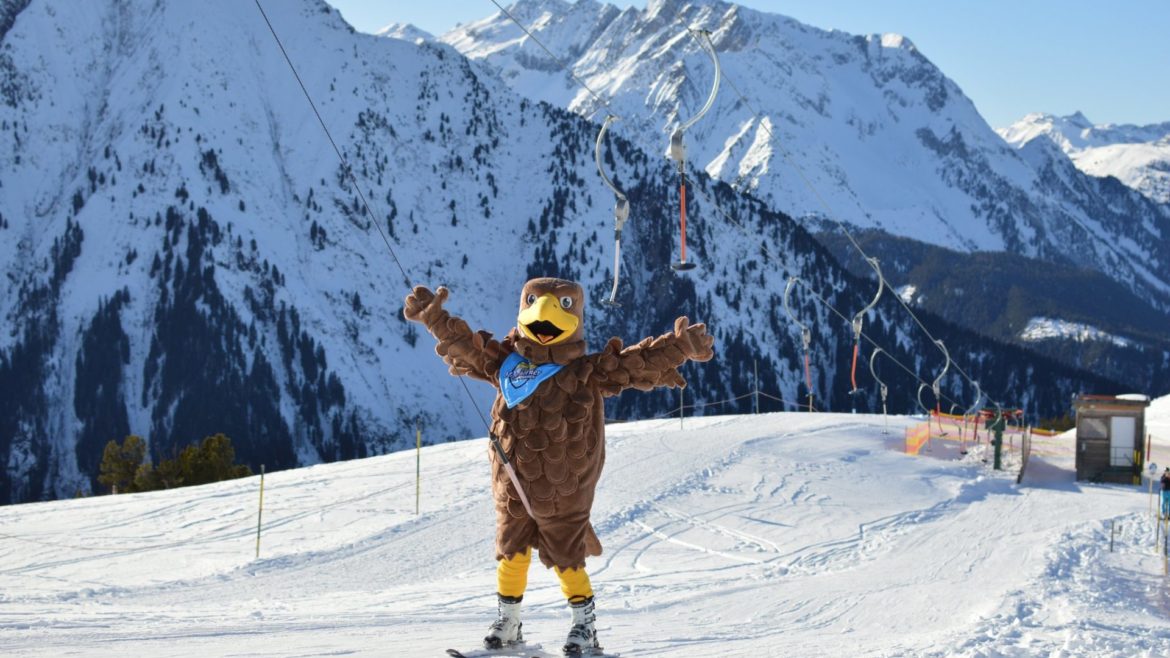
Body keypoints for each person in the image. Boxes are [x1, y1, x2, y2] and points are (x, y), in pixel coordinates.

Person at [404, 278, 714, 655]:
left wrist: (678, 347)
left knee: (567, 558)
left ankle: (585, 626)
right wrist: (436, 319)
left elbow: (634, 364)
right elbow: (468, 350)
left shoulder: (585, 371)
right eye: (533, 304)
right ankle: (509, 621)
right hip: (512, 487)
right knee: (511, 552)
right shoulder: (507, 366)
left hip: (564, 491)